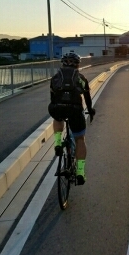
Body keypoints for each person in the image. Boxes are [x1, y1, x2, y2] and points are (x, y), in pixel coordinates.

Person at [48, 53, 96, 185]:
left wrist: (58, 107)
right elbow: (87, 98)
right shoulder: (81, 78)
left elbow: (52, 98)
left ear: (62, 64)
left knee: (58, 117)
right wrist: (90, 111)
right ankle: (80, 172)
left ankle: (58, 142)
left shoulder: (56, 77)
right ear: (78, 64)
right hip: (75, 110)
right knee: (80, 139)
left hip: (57, 107)